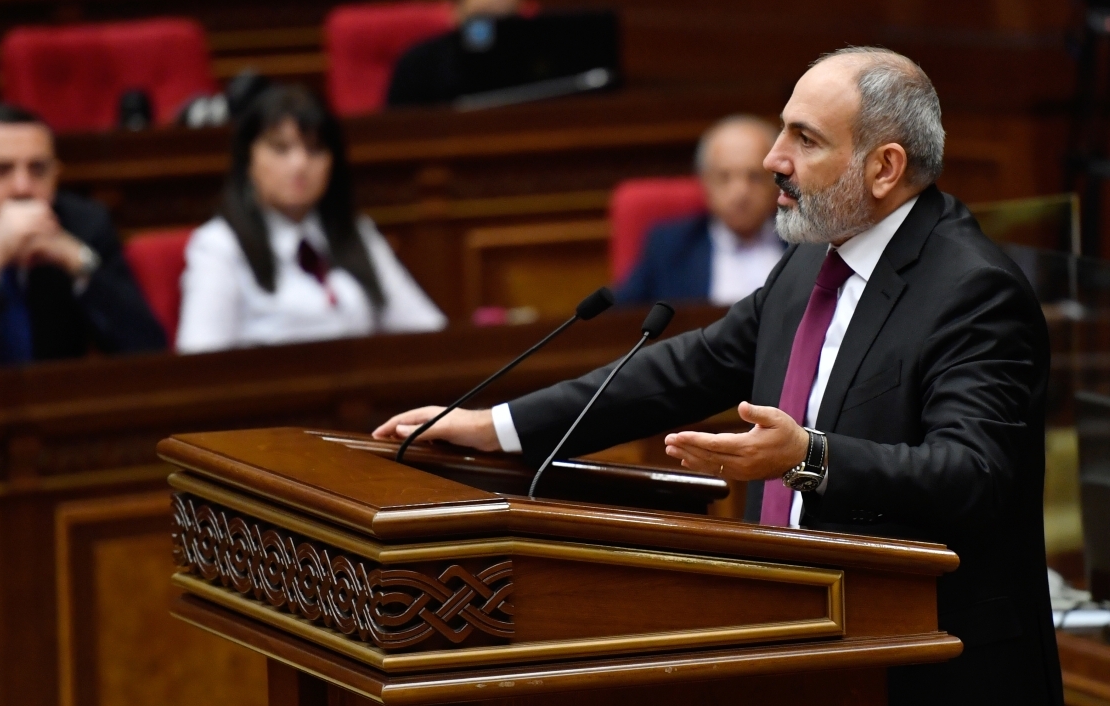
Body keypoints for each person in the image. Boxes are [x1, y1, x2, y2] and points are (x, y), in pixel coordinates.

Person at [374, 47, 1062, 704]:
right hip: (810, 644)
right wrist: (496, 427)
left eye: (805, 139)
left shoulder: (973, 290)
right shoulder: (812, 261)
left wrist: (810, 457)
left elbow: (974, 474)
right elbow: (690, 367)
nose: (773, 159)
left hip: (934, 666)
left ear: (884, 168)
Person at [176, 85, 446, 353]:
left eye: (315, 149)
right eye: (281, 149)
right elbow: (200, 361)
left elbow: (428, 331)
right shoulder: (219, 246)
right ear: (248, 158)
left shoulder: (355, 232)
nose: (300, 164)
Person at [0, 104, 166, 376]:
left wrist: (78, 261)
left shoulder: (84, 224)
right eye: (1, 170)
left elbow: (149, 350)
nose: (23, 187)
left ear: (56, 174)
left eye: (38, 169)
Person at [616, 115, 784, 306]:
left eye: (754, 177)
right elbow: (622, 314)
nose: (740, 192)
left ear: (776, 183)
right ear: (705, 183)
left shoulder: (802, 246)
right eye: (724, 177)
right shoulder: (670, 248)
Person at [385, 0, 529, 107]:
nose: (495, 31)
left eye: (507, 20)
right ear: (454, 8)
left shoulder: (535, 63)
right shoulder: (417, 66)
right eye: (482, 19)